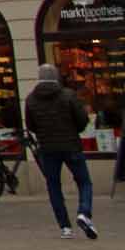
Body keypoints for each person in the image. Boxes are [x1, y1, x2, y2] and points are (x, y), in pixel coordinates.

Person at [25, 64, 96, 240]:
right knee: (84, 182)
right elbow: (81, 120)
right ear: (56, 77)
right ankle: (84, 212)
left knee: (54, 186)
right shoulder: (68, 95)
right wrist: (75, 129)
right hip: (71, 145)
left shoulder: (31, 99)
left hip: (47, 148)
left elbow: (31, 125)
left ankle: (65, 227)